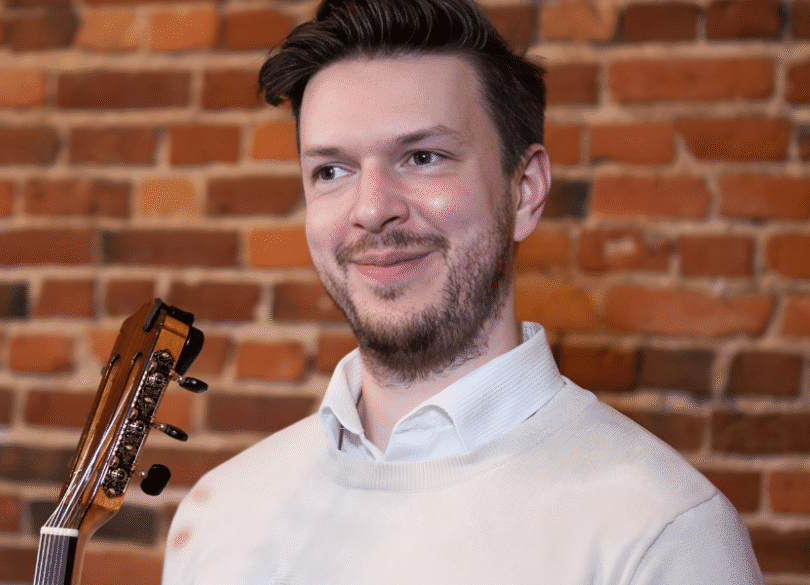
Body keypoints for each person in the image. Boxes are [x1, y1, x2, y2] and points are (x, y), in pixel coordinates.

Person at [161, 0, 764, 582]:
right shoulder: (220, 518)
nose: (371, 209)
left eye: (423, 157)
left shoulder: (659, 531)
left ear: (524, 190)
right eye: (332, 171)